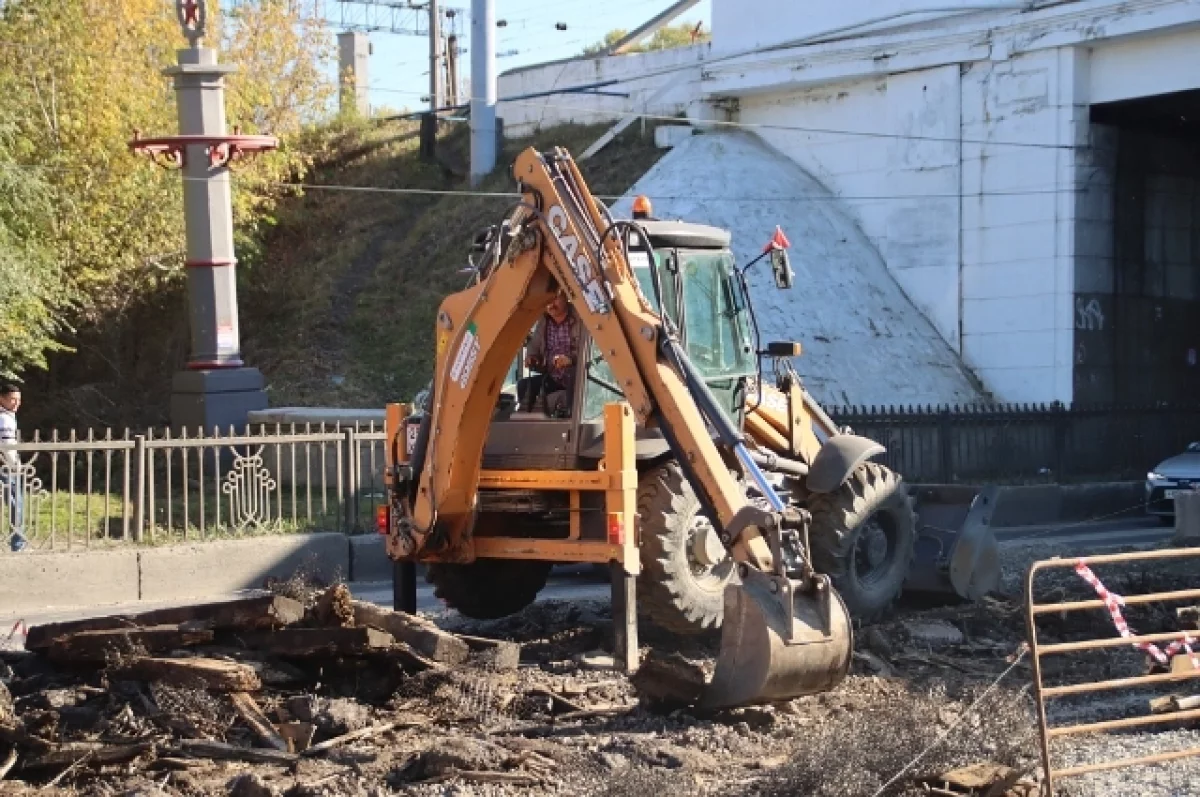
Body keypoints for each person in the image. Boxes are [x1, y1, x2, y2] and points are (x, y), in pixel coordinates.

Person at [519, 292, 580, 417]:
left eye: (555, 298)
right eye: (547, 300)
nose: (551, 304)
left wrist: (570, 360)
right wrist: (532, 357)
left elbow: (590, 350)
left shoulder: (580, 318)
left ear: (565, 296)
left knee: (572, 378)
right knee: (523, 385)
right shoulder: (544, 321)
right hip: (553, 377)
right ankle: (530, 428)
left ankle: (569, 422)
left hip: (575, 378)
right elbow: (534, 345)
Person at [0, 383, 25, 552]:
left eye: (18, 400)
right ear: (1, 399)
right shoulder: (5, 419)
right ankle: (18, 543)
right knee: (17, 504)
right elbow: (7, 444)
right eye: (12, 399)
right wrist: (15, 466)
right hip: (5, 466)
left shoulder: (6, 415)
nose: (16, 403)